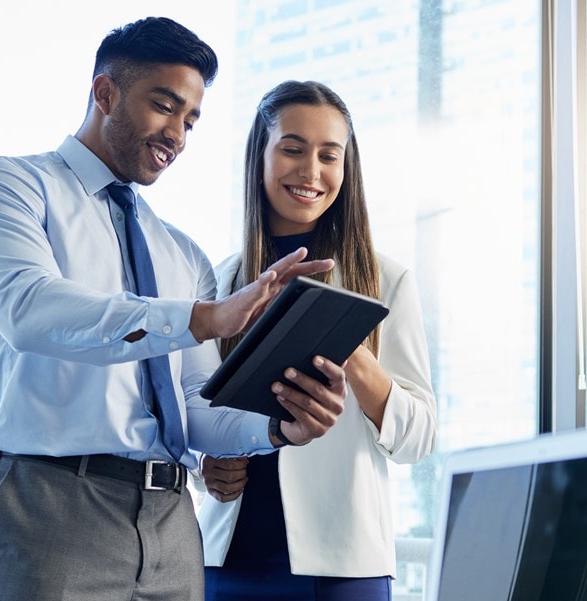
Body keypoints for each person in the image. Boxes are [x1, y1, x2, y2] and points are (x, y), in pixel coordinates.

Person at [0, 19, 348, 601]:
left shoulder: (181, 252)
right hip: (56, 504)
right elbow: (29, 311)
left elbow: (194, 406)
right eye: (164, 107)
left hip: (171, 519)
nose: (178, 135)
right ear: (105, 93)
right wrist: (204, 318)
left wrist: (279, 427)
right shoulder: (11, 187)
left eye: (190, 120)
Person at [195, 80, 438, 601]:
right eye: (292, 149)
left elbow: (420, 438)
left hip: (344, 565)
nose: (311, 171)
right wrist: (206, 465)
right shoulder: (221, 283)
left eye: (330, 155)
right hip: (230, 560)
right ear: (259, 157)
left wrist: (359, 360)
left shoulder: (386, 281)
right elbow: (196, 414)